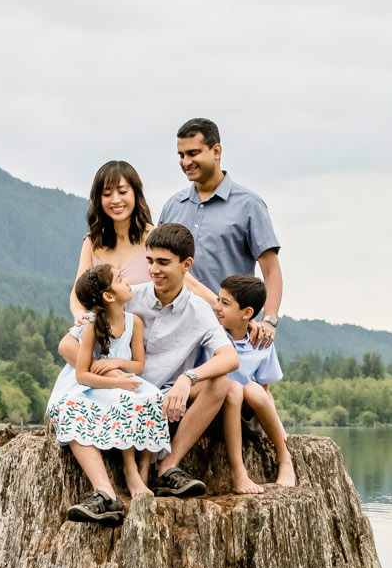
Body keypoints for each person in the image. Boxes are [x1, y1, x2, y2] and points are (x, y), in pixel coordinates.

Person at [48, 263, 169, 525]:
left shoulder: (133, 321)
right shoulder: (91, 325)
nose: (128, 283)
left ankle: (134, 470)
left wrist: (116, 365)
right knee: (72, 408)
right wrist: (114, 383)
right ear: (108, 296)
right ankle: (105, 492)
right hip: (92, 385)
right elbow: (82, 375)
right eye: (119, 279)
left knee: (150, 399)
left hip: (122, 378)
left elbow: (138, 365)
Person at [129, 222, 240, 498]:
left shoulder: (199, 310)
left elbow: (230, 357)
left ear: (186, 264)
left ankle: (168, 467)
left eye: (163, 262)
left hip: (170, 399)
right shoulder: (130, 298)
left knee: (220, 383)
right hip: (130, 394)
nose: (154, 270)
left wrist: (187, 377)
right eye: (150, 261)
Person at [157, 118, 283, 349]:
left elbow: (271, 270)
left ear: (216, 151)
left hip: (228, 331)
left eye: (193, 153)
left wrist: (270, 320)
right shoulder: (172, 206)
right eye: (181, 155)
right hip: (176, 329)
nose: (185, 162)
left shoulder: (249, 205)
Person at [214, 274, 297, 491]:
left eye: (225, 303)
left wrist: (277, 428)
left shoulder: (262, 342)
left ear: (247, 313)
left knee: (252, 389)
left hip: (246, 417)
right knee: (232, 388)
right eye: (218, 300)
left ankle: (284, 457)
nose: (217, 307)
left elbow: (266, 392)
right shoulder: (213, 336)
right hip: (215, 413)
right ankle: (238, 473)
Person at [71, 159, 153, 320]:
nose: (115, 200)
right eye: (107, 194)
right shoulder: (92, 243)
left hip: (150, 335)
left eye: (122, 192)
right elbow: (77, 292)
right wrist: (79, 314)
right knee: (67, 345)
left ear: (135, 193)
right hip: (109, 337)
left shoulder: (154, 238)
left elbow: (186, 282)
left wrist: (216, 303)